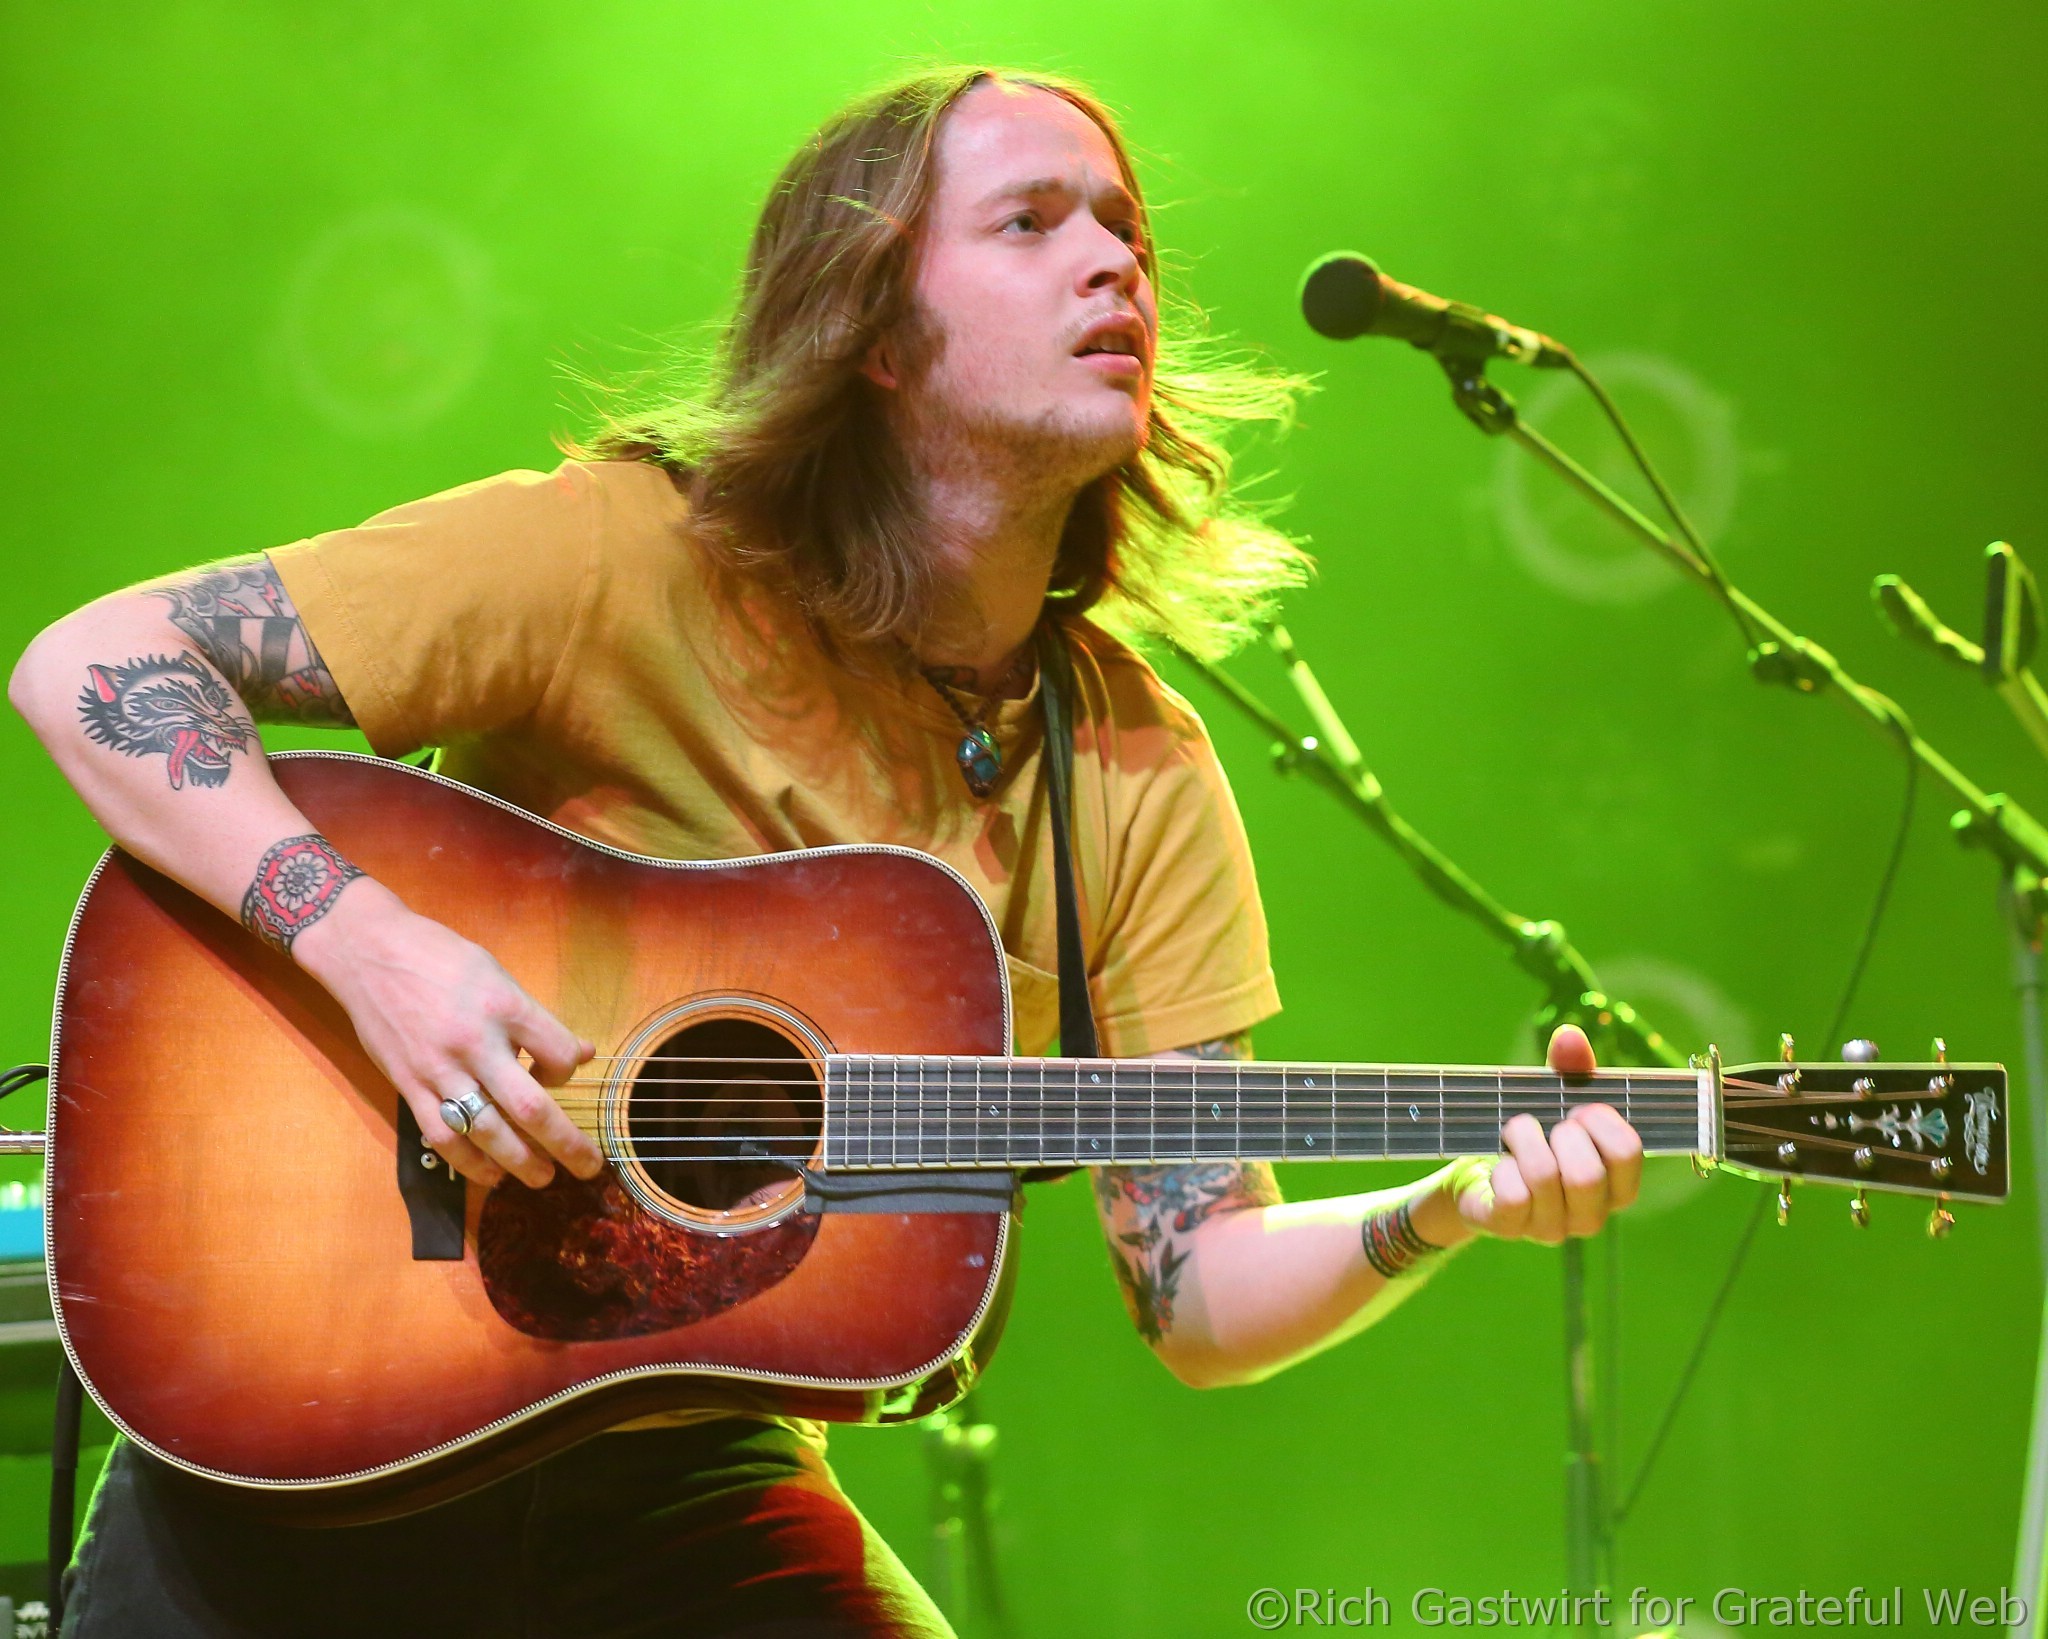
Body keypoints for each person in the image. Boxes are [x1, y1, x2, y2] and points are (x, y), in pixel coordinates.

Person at [10, 64, 1643, 1639]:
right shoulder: (621, 556)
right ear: (870, 326)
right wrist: (376, 949)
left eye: (1129, 232)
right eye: (1032, 225)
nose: (1115, 264)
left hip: (686, 1484)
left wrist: (1447, 1208)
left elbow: (1197, 1290)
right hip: (315, 1402)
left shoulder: (1135, 764)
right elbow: (89, 664)